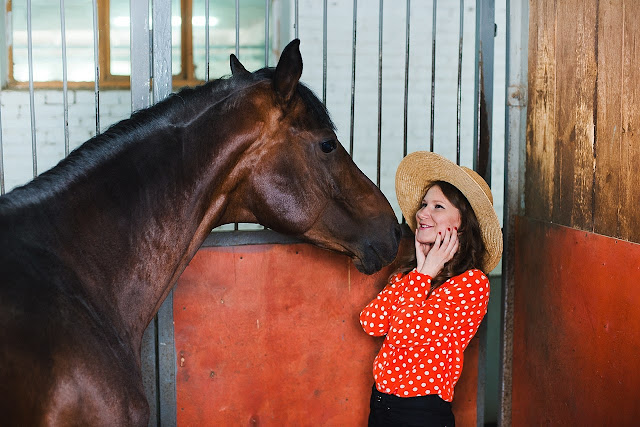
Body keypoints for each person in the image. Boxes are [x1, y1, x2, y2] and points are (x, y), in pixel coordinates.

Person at [360, 151, 503, 427]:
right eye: (424, 204)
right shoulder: (414, 274)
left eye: (438, 206)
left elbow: (402, 335)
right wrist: (420, 272)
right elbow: (371, 322)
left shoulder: (471, 283)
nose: (422, 213)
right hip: (380, 404)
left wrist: (423, 275)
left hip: (420, 412)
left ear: (463, 224)